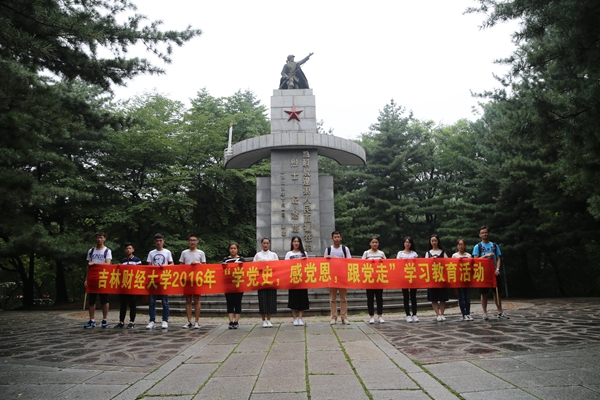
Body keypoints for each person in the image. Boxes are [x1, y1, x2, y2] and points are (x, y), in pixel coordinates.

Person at [472, 226, 509, 319]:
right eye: (482, 233)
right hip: (483, 273)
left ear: (488, 233)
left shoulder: (494, 245)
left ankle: (500, 311)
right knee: (484, 293)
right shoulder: (478, 246)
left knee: (496, 293)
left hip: (494, 272)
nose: (484, 234)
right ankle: (485, 312)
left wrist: (498, 269)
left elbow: (499, 258)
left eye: (486, 232)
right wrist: (485, 256)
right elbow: (475, 259)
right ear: (479, 235)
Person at [84, 231, 112, 328]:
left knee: (104, 299)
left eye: (101, 237)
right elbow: (88, 266)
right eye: (97, 237)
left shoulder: (107, 251)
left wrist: (95, 264)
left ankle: (104, 319)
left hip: (103, 277)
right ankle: (92, 320)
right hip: (92, 278)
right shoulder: (91, 251)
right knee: (91, 300)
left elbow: (108, 264)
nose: (99, 239)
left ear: (104, 239)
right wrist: (86, 279)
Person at [146, 233, 174, 329]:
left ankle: (165, 320)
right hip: (153, 279)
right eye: (157, 241)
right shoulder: (151, 253)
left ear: (163, 241)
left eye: (160, 240)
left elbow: (172, 264)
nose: (159, 242)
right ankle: (152, 321)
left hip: (164, 279)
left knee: (165, 301)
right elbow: (149, 265)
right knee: (152, 301)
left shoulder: (167, 252)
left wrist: (165, 266)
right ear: (155, 242)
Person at [324, 230, 352, 325]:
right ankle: (334, 317)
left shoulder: (345, 249)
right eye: (335, 237)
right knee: (333, 298)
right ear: (332, 238)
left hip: (342, 276)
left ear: (341, 238)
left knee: (343, 298)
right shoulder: (328, 249)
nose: (336, 239)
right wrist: (327, 259)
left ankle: (344, 317)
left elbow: (349, 261)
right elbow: (324, 263)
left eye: (338, 237)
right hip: (332, 276)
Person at [180, 234, 206, 329]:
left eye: (194, 240)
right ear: (188, 241)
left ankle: (196, 321)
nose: (192, 242)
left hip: (197, 280)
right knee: (188, 300)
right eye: (190, 240)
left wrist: (198, 263)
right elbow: (180, 266)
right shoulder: (184, 253)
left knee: (197, 300)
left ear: (197, 241)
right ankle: (189, 321)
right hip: (187, 279)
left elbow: (205, 266)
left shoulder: (201, 253)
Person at [253, 238, 279, 328]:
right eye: (264, 243)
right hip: (261, 281)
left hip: (271, 281)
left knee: (271, 300)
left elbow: (277, 267)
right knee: (263, 300)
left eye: (267, 243)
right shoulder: (258, 255)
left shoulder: (273, 255)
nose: (265, 245)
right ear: (261, 244)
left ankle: (269, 320)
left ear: (269, 244)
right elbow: (253, 267)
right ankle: (263, 320)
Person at [114, 242, 141, 329]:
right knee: (123, 304)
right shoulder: (123, 261)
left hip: (132, 286)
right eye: (126, 248)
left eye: (130, 248)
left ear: (133, 250)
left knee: (132, 304)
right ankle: (121, 321)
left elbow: (141, 271)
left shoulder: (137, 260)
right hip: (124, 286)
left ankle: (132, 321)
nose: (128, 250)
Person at [285, 236, 310, 326]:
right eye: (294, 241)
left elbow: (308, 266)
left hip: (302, 279)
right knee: (293, 298)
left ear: (300, 243)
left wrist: (304, 261)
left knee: (302, 298)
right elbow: (285, 266)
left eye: (298, 241)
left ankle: (300, 317)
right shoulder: (289, 254)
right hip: (292, 279)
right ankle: (294, 318)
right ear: (292, 243)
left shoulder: (304, 253)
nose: (296, 243)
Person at [362, 236, 386, 324]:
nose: (374, 244)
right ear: (370, 243)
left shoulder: (381, 253)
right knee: (370, 298)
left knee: (379, 298)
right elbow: (361, 264)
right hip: (369, 279)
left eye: (376, 242)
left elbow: (387, 264)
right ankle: (371, 316)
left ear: (378, 243)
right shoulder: (366, 253)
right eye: (373, 242)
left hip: (379, 279)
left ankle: (380, 316)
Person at [425, 234, 449, 322]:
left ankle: (442, 313)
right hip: (432, 278)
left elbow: (448, 263)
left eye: (435, 240)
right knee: (433, 298)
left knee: (442, 297)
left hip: (442, 277)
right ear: (430, 242)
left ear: (438, 241)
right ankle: (437, 314)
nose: (434, 242)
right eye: (432, 241)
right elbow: (425, 264)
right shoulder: (428, 253)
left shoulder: (442, 252)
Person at [397, 236, 420, 323]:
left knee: (413, 296)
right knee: (406, 296)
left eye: (409, 242)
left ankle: (414, 314)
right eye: (406, 242)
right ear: (403, 243)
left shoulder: (414, 254)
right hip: (404, 277)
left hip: (413, 277)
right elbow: (398, 265)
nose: (407, 244)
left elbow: (417, 265)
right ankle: (408, 314)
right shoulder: (400, 254)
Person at [222, 242, 245, 329]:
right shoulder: (225, 259)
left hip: (238, 284)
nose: (233, 250)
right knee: (229, 303)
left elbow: (246, 271)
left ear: (237, 249)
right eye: (231, 248)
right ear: (229, 249)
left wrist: (242, 265)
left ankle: (236, 321)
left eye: (234, 248)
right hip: (228, 284)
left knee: (238, 302)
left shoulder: (241, 259)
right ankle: (231, 321)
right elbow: (222, 271)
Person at [452, 239, 473, 321]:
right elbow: (452, 266)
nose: (461, 246)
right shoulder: (454, 255)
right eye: (459, 244)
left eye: (462, 244)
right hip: (459, 279)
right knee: (461, 297)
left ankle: (468, 313)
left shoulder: (468, 255)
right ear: (457, 246)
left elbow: (472, 266)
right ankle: (464, 314)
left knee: (467, 297)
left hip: (467, 279)